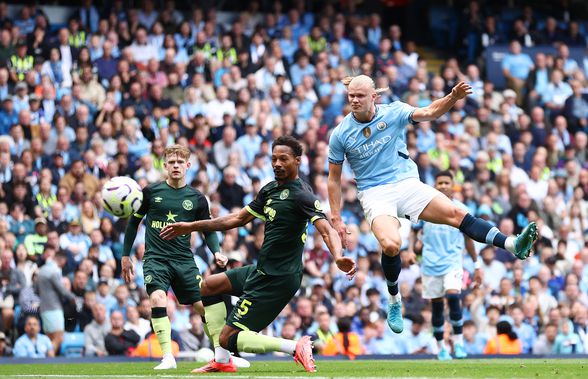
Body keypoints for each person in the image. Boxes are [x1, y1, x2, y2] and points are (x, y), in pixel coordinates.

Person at [327, 75, 537, 333]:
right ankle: (394, 299)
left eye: (360, 96)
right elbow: (334, 179)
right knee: (392, 244)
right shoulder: (340, 134)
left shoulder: (394, 111)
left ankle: (513, 244)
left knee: (456, 212)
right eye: (351, 96)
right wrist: (336, 218)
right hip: (374, 192)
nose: (355, 100)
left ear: (374, 96)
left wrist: (452, 97)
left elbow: (428, 112)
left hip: (405, 182)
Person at [160, 136, 356, 373]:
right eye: (274, 159)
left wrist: (337, 257)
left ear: (297, 161)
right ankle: (222, 361)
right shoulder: (270, 190)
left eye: (283, 159)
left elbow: (326, 230)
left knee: (227, 337)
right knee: (208, 287)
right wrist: (190, 226)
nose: (277, 164)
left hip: (279, 279)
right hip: (261, 270)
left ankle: (295, 347)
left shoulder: (301, 195)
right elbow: (236, 219)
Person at [121, 144, 229, 370]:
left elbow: (208, 229)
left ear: (188, 165)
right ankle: (167, 357)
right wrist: (125, 255)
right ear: (165, 165)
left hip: (184, 260)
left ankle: (222, 354)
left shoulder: (197, 198)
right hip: (156, 259)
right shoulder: (150, 192)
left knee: (203, 307)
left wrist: (216, 251)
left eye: (180, 162)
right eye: (172, 162)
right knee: (158, 299)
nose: (176, 166)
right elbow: (133, 223)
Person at [414, 170, 480, 360]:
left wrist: (477, 265)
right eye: (439, 182)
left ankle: (458, 344)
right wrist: (412, 250)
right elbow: (415, 233)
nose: (442, 186)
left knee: (453, 296)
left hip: (452, 262)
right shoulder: (424, 208)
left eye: (446, 182)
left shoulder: (461, 210)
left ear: (453, 186)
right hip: (430, 264)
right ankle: (442, 347)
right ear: (435, 185)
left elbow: (469, 238)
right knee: (436, 307)